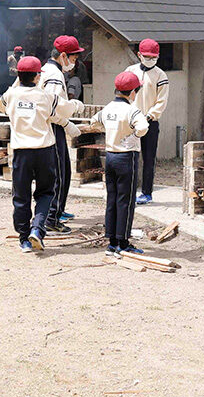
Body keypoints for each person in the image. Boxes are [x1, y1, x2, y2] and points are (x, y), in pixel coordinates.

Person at [0, 55, 64, 253]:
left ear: (18, 75)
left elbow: (1, 105)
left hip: (21, 151)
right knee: (46, 192)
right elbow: (64, 110)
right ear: (37, 76)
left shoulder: (10, 95)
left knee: (21, 195)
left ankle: (24, 238)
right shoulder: (45, 96)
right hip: (44, 150)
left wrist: (17, 82)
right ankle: (38, 227)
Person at [90, 70, 150, 256]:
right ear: (132, 92)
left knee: (112, 198)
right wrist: (132, 136)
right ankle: (123, 243)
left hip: (110, 156)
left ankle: (111, 242)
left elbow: (94, 122)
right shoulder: (132, 110)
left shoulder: (107, 108)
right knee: (126, 200)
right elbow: (143, 127)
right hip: (126, 157)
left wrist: (109, 131)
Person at [41, 36, 86, 232]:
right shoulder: (54, 76)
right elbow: (53, 108)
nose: (74, 63)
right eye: (74, 59)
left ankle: (55, 212)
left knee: (62, 172)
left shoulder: (49, 70)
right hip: (53, 127)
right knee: (60, 173)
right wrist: (69, 118)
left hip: (50, 126)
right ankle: (52, 217)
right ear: (64, 56)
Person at [128, 39, 170, 205]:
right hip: (131, 121)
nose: (150, 60)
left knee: (148, 158)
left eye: (153, 57)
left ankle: (147, 192)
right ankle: (129, 190)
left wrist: (150, 115)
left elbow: (162, 101)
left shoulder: (161, 75)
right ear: (139, 55)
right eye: (146, 56)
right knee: (130, 157)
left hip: (150, 122)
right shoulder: (130, 71)